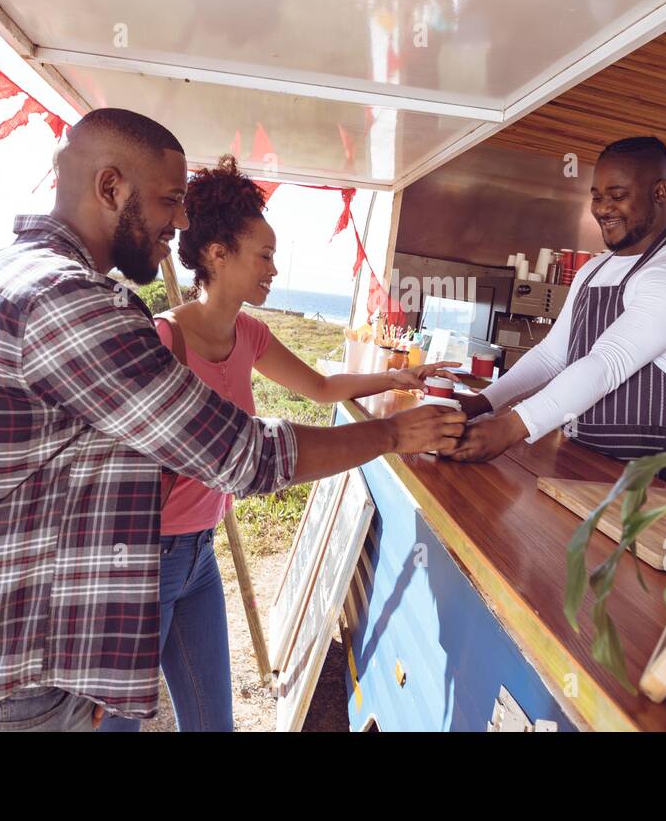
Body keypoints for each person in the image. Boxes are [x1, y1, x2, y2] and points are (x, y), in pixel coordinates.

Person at [0, 108, 464, 732]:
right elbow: (245, 457)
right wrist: (393, 432)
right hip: (3, 668)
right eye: (170, 201)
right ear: (111, 187)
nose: (180, 222)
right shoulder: (70, 305)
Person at [101, 155, 458, 732]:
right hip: (147, 560)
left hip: (198, 557)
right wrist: (388, 435)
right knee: (119, 724)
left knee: (214, 723)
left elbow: (319, 388)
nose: (272, 269)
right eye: (263, 256)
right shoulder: (165, 338)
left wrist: (393, 378)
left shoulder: (249, 332)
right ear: (218, 255)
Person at [442, 136, 666, 489]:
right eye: (597, 197)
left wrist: (510, 427)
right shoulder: (593, 270)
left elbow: (607, 363)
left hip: (659, 479)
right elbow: (552, 355)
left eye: (617, 196)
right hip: (587, 458)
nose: (602, 209)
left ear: (660, 192)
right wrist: (482, 403)